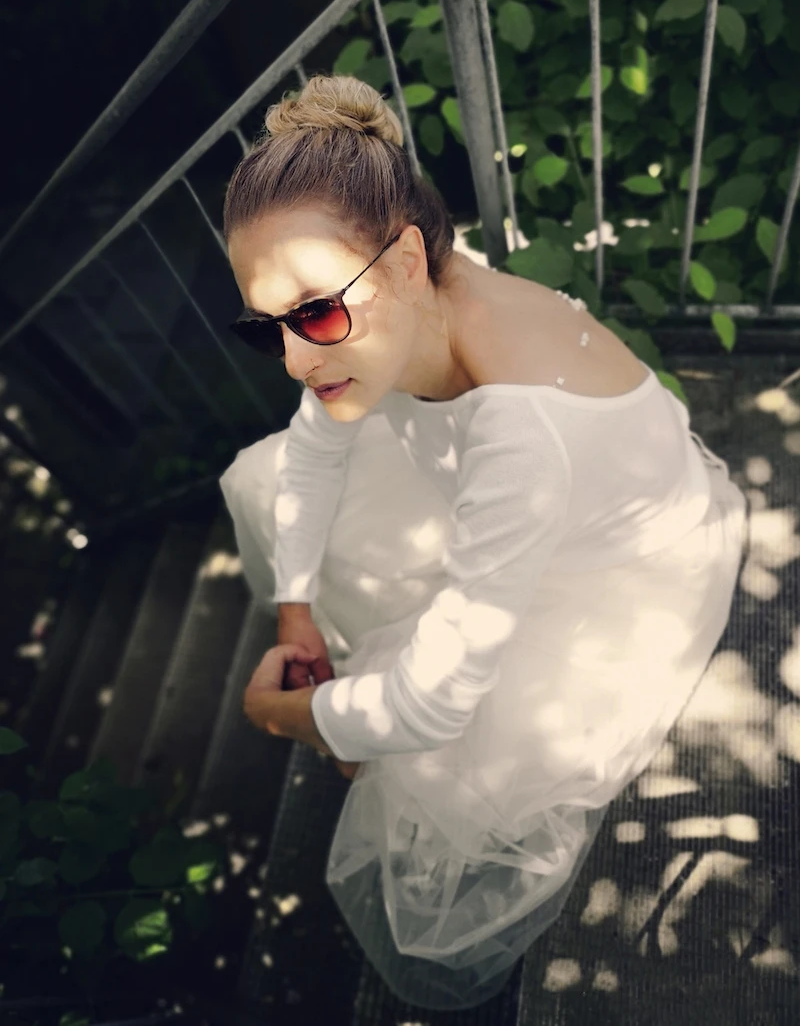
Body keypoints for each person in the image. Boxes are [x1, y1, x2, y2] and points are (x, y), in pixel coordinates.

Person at [218, 74, 749, 1010]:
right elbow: (312, 453)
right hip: (515, 490)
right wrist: (296, 607)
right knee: (274, 481)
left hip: (605, 572)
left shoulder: (520, 434)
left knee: (437, 753)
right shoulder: (417, 296)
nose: (296, 359)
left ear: (405, 260)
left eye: (315, 313)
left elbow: (431, 704)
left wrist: (285, 716)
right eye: (267, 330)